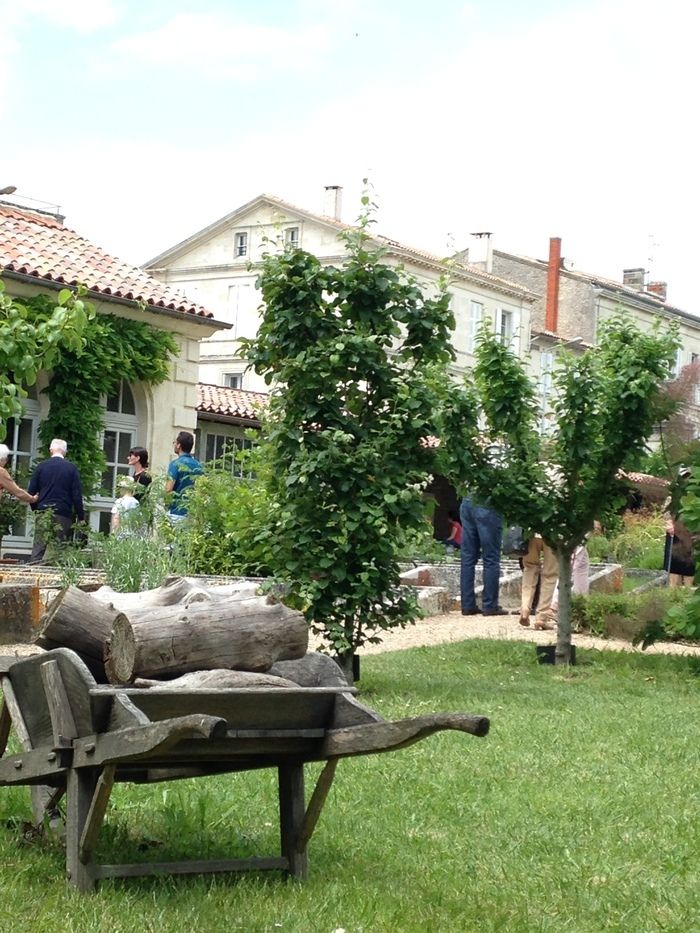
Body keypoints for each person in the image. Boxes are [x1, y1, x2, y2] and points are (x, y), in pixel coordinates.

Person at [27, 438, 84, 563]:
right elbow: (76, 494)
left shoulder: (41, 467)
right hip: (63, 512)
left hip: (43, 511)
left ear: (51, 450)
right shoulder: (71, 468)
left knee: (38, 547)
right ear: (65, 452)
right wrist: (81, 516)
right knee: (60, 548)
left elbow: (31, 492)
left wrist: (36, 509)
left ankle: (32, 571)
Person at [460, 494, 506, 615]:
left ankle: (467, 605)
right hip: (487, 502)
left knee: (468, 558)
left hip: (467, 501)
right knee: (491, 558)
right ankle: (490, 605)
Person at [519, 535, 559, 630]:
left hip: (532, 530)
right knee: (550, 574)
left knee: (529, 567)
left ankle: (525, 607)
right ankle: (542, 617)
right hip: (553, 531)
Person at [165, 431, 203, 521]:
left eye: (175, 442)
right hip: (191, 514)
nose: (174, 445)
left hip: (175, 511)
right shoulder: (198, 466)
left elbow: (168, 488)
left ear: (179, 445)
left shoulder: (175, 464)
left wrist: (166, 503)